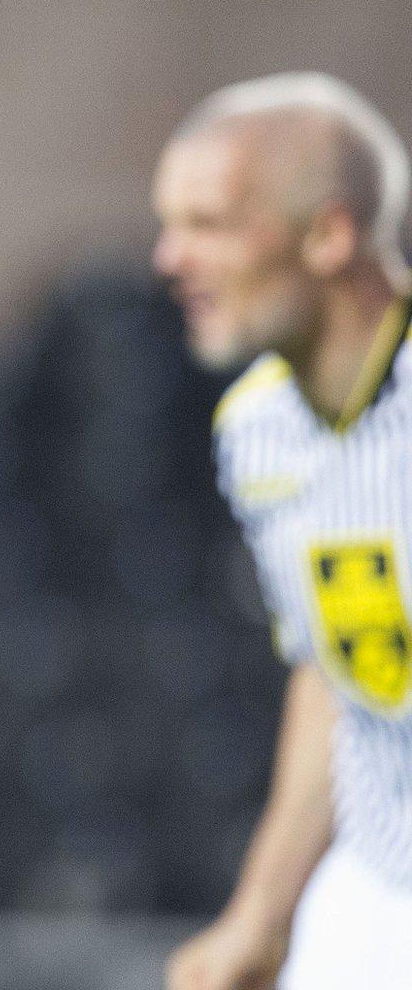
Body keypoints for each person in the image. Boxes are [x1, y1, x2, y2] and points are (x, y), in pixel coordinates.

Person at [154, 72, 412, 990]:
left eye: (209, 223)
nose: (169, 257)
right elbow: (337, 674)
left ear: (330, 235)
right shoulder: (255, 429)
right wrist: (259, 921)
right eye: (167, 223)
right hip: (381, 882)